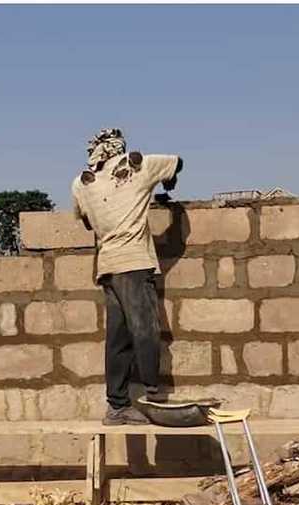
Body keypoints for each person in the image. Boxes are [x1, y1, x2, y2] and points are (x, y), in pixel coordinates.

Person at [72, 128, 183, 425]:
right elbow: (177, 162)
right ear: (120, 148)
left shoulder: (81, 184)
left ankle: (117, 405)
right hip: (133, 261)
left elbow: (85, 221)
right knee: (145, 327)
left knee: (118, 338)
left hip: (107, 265)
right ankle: (152, 391)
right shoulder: (138, 168)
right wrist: (169, 183)